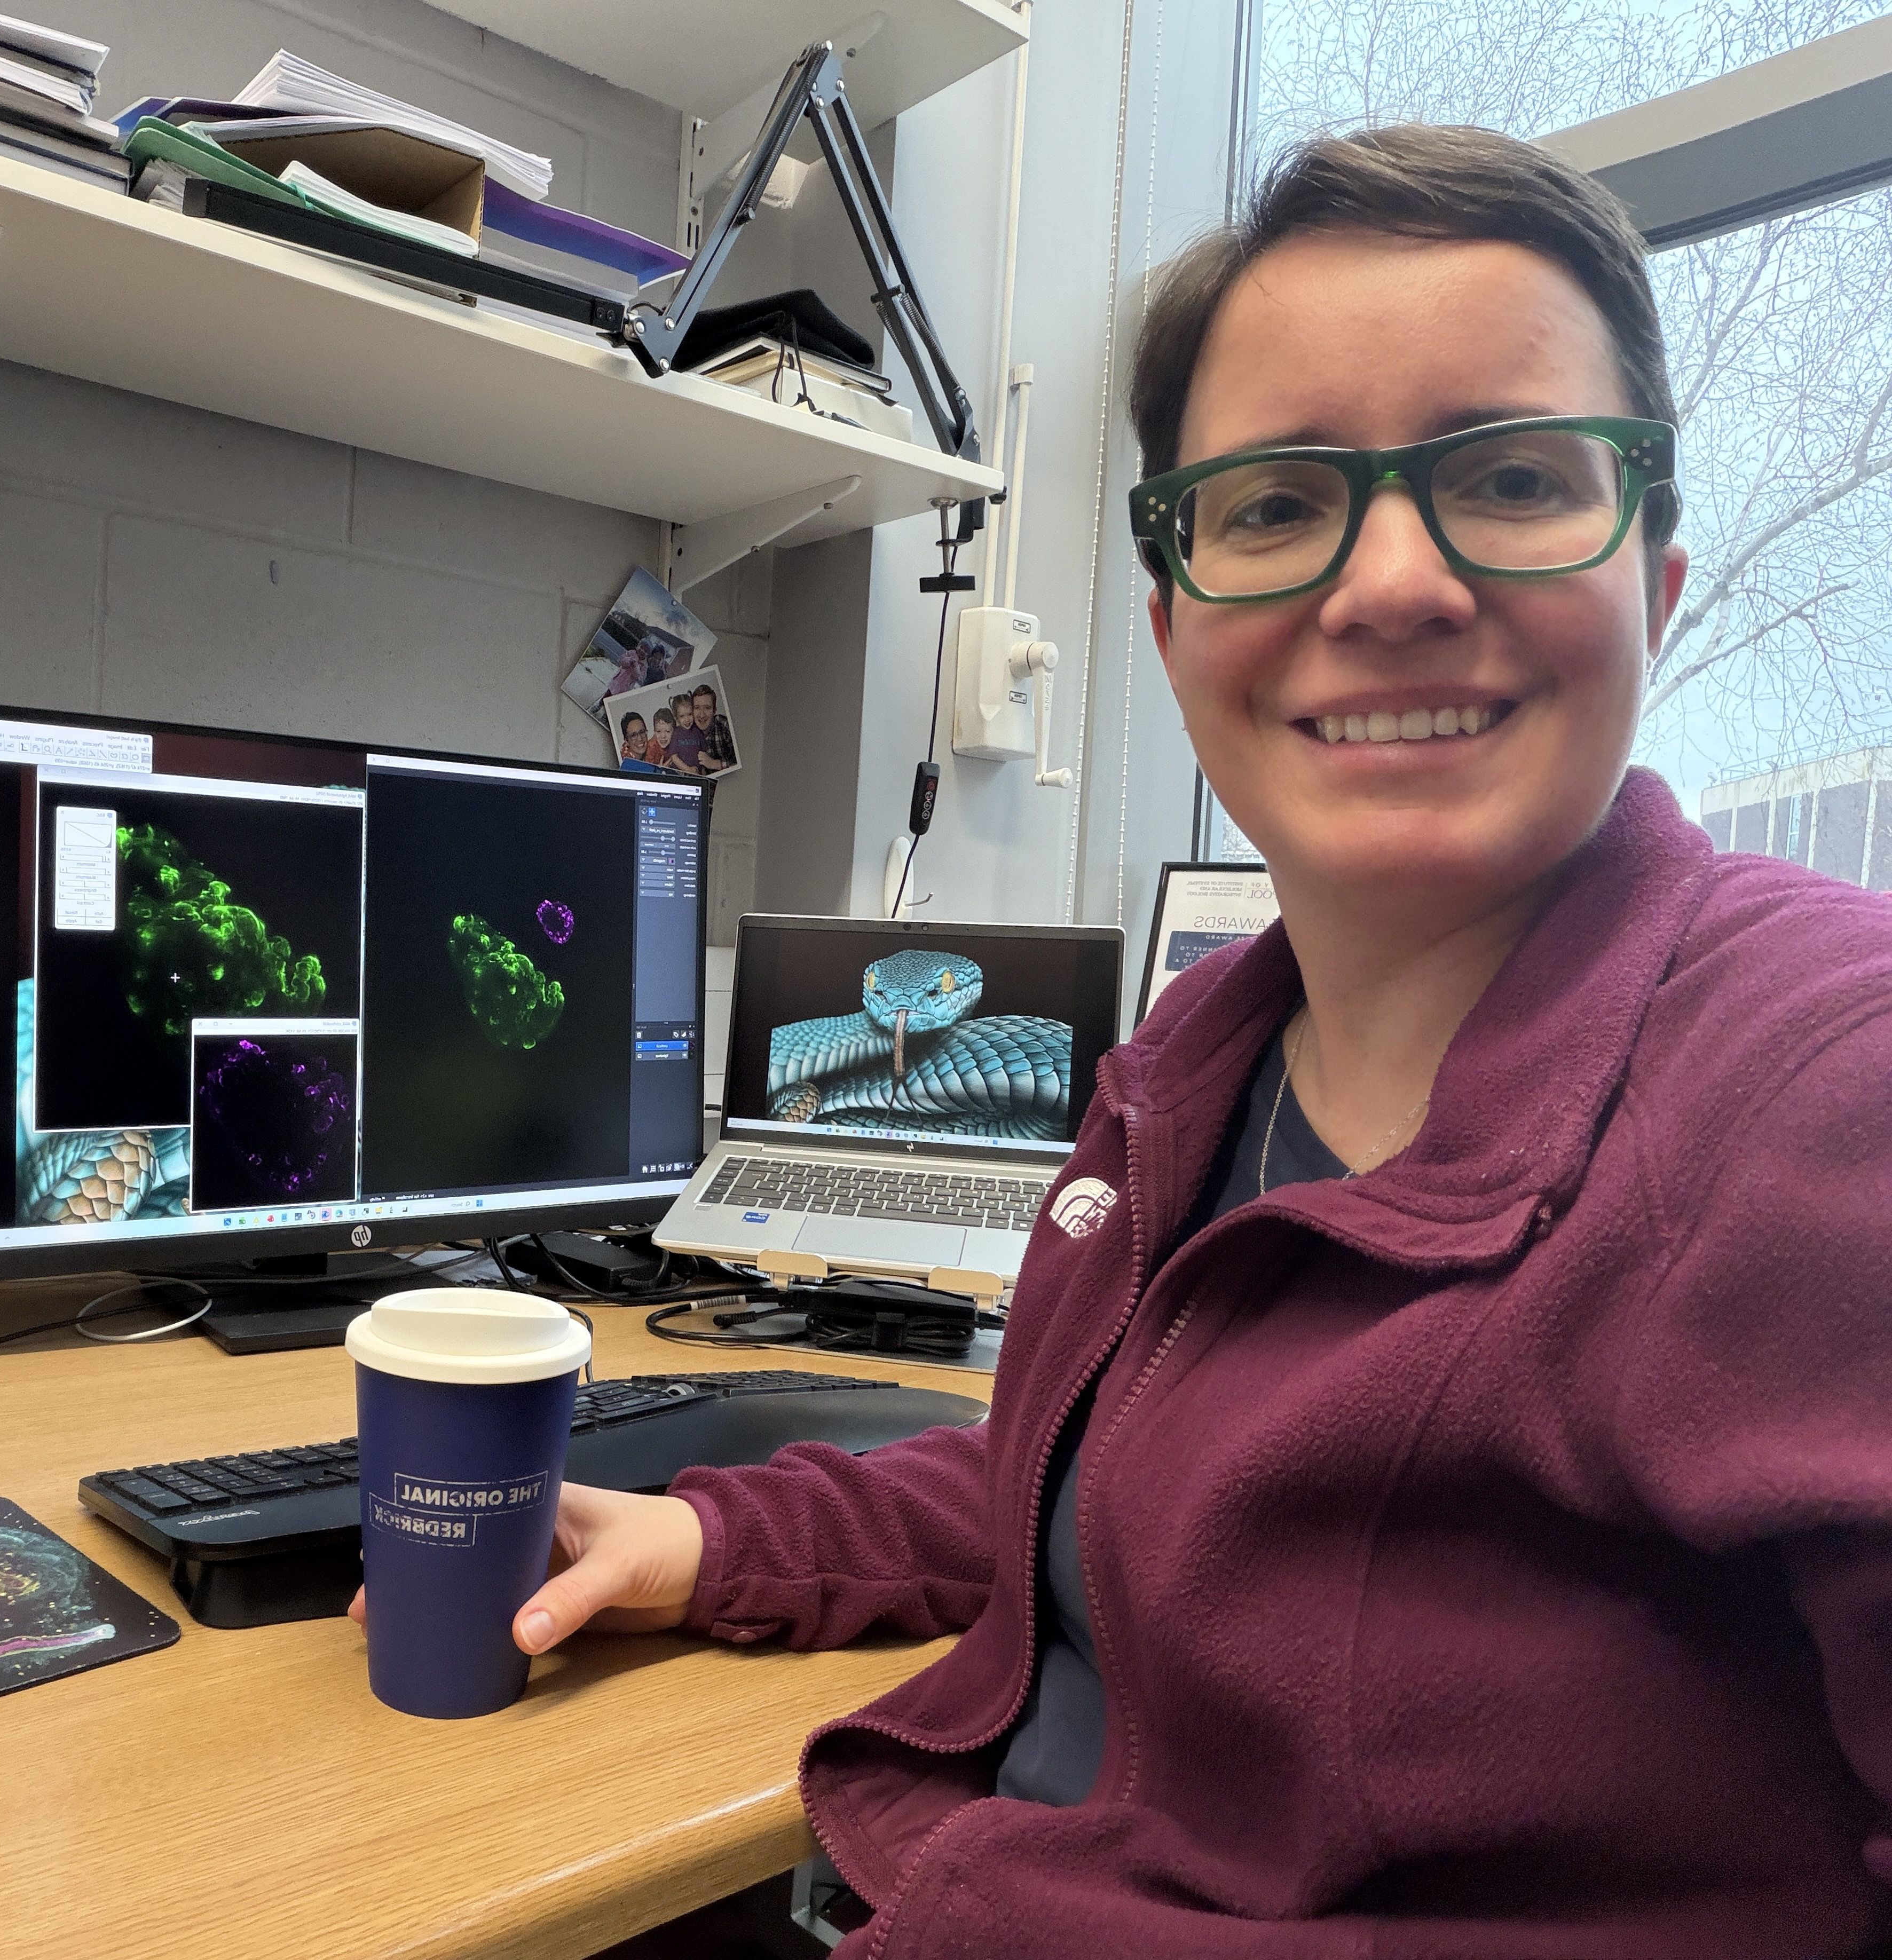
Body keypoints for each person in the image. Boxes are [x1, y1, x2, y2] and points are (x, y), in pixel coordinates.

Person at [362, 125, 1892, 1955]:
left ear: (1650, 581)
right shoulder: (1197, 1069)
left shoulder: (1818, 1080)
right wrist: (714, 1543)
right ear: (1173, 632)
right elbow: (1103, 1477)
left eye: (1508, 477)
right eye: (1271, 506)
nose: (1389, 583)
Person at [685, 682, 736, 773]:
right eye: (697, 708)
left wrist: (714, 764)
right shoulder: (687, 732)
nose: (702, 715)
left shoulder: (724, 725)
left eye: (707, 708)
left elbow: (744, 761)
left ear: (714, 710)